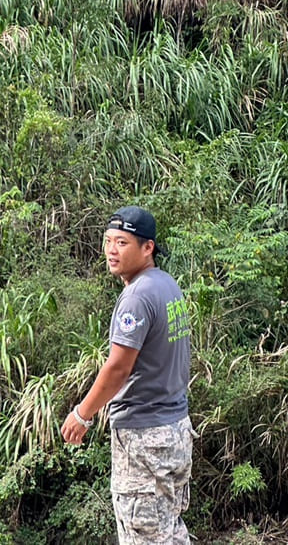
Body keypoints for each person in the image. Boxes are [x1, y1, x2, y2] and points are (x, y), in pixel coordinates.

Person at [60, 206, 192, 544]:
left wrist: (82, 414)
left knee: (145, 537)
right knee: (170, 533)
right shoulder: (167, 285)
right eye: (108, 241)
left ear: (147, 247)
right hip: (175, 431)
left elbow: (119, 367)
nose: (111, 250)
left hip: (145, 438)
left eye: (122, 242)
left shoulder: (136, 297)